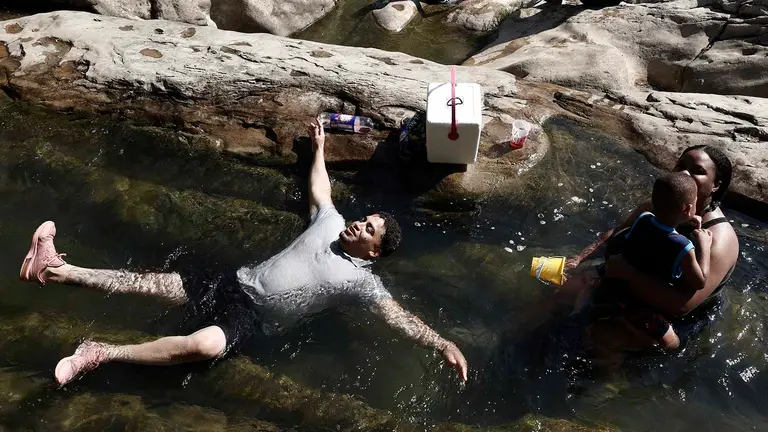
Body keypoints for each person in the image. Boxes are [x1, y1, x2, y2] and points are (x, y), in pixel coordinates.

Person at [19, 118, 468, 385]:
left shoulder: (362, 282)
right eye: (363, 219)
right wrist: (320, 151)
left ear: (373, 252)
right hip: (234, 281)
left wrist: (442, 342)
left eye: (367, 229)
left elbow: (400, 317)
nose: (358, 224)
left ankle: (98, 352)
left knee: (206, 343)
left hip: (251, 318)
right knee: (145, 284)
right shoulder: (330, 223)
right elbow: (320, 191)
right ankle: (56, 269)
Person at [564, 145, 739, 351]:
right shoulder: (662, 206)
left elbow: (681, 306)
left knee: (602, 339)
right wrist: (579, 259)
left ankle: (609, 378)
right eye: (681, 165)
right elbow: (617, 232)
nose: (684, 173)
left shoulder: (718, 238)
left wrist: (628, 274)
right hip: (629, 283)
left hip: (673, 318)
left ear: (715, 185)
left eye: (697, 171)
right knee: (563, 292)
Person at [580, 172, 713, 350]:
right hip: (641, 306)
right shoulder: (683, 246)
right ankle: (631, 335)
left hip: (614, 292)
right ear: (688, 209)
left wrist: (684, 219)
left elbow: (658, 233)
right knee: (673, 345)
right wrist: (704, 246)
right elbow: (700, 281)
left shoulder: (642, 220)